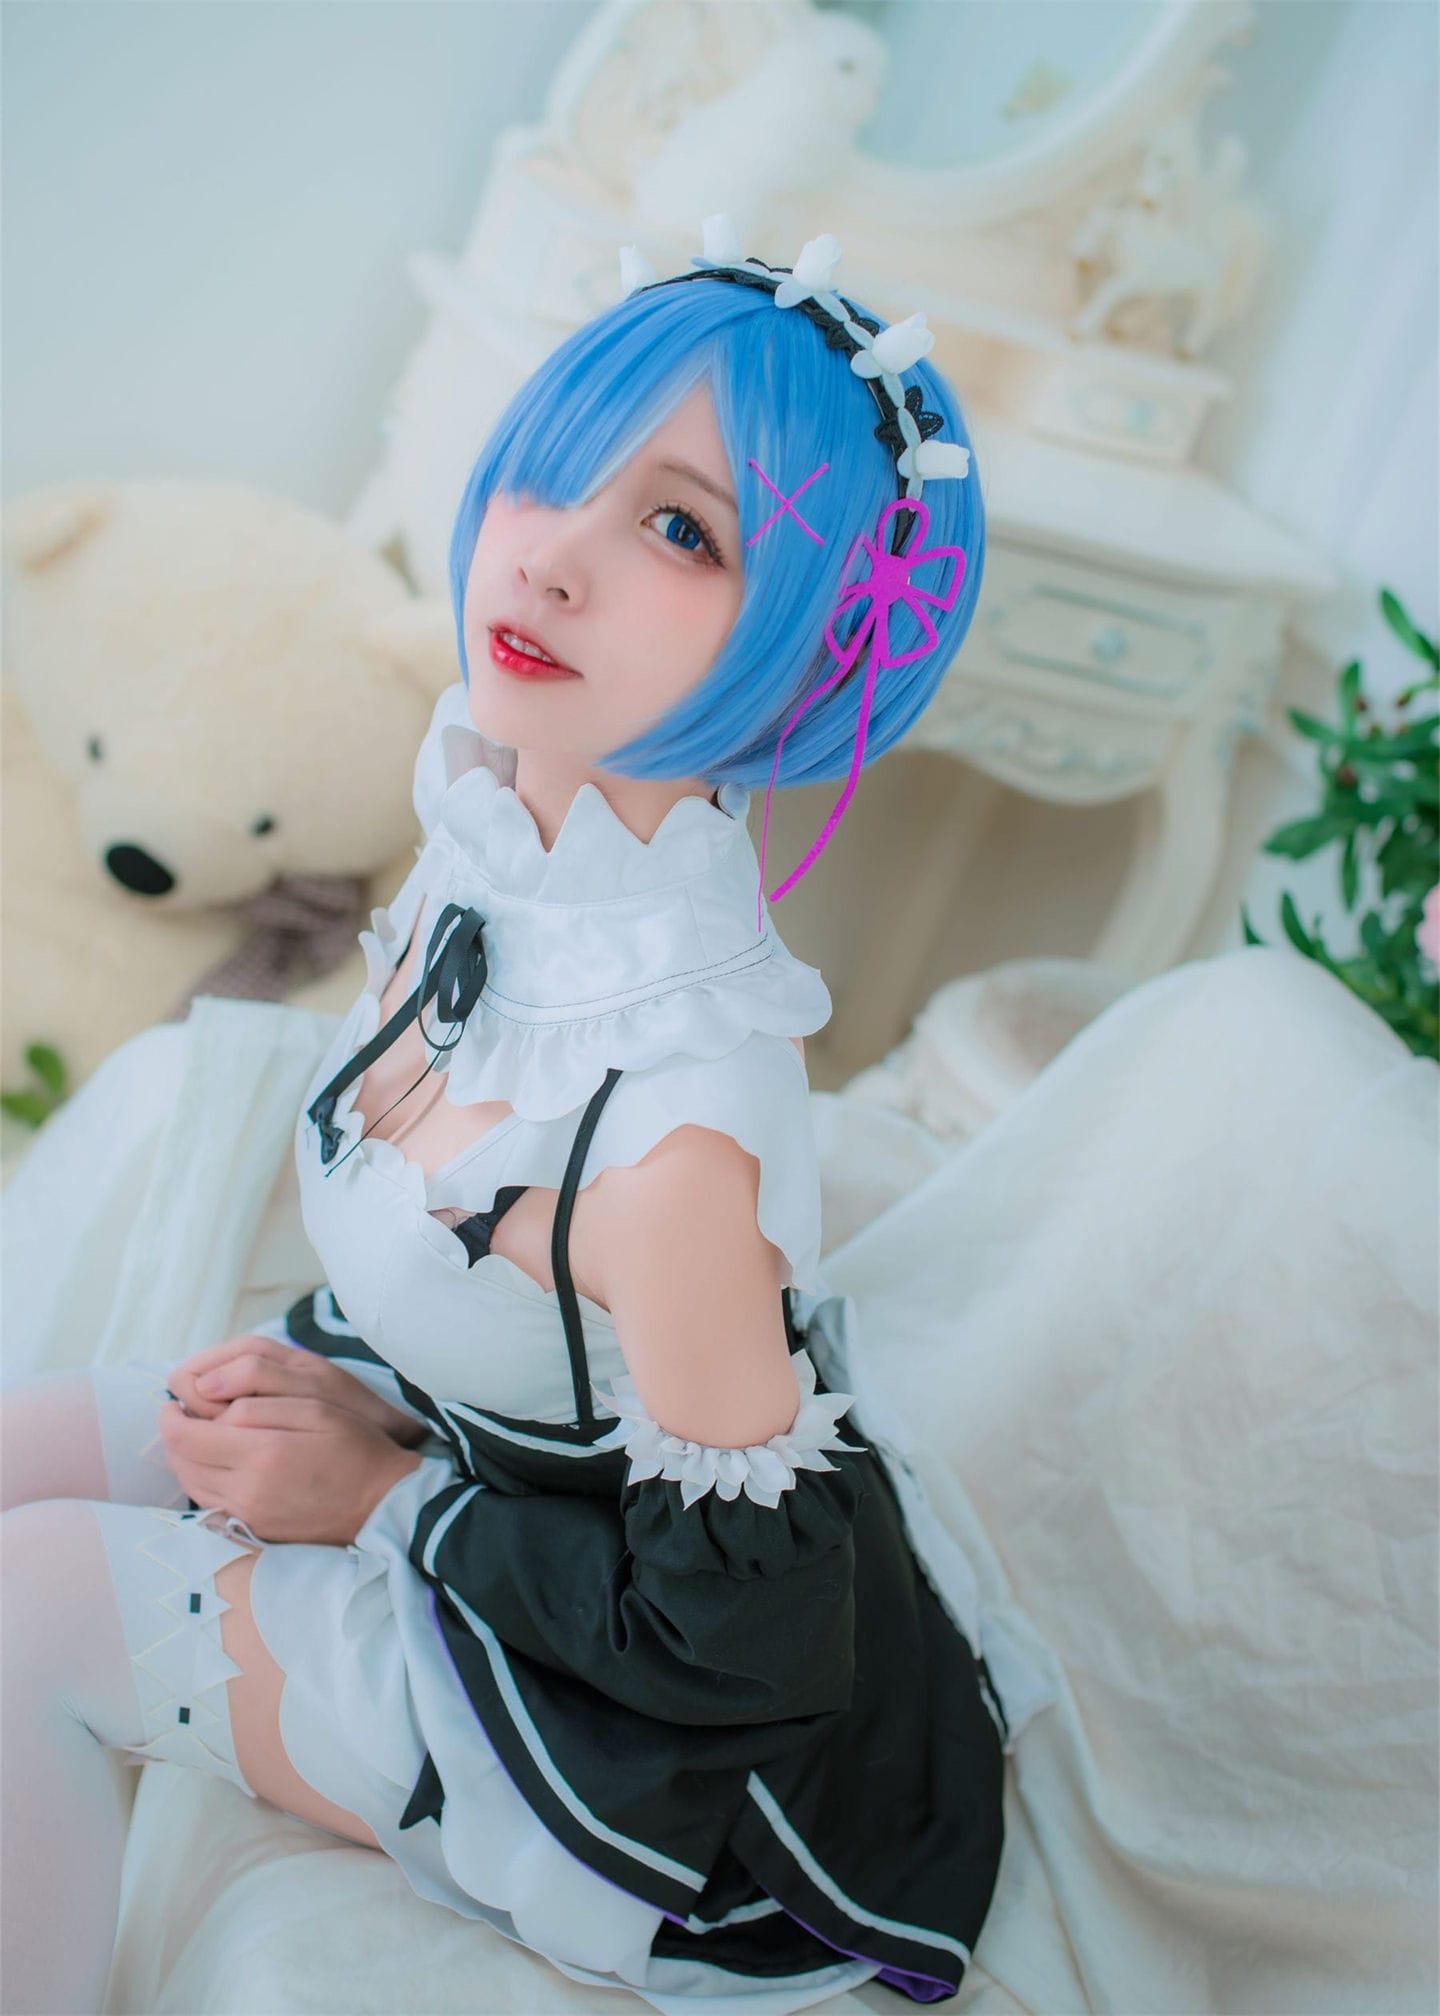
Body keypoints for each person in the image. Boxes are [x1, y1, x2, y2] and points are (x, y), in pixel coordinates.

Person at [0, 217, 1056, 2015]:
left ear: (812, 639)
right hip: (467, 1439)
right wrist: (365, 1393)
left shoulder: (683, 1123)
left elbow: (746, 1640)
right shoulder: (497, 822)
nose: (551, 556)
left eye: (680, 529)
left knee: (26, 1607)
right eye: (560, 470)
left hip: (632, 1719)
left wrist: (382, 1495)